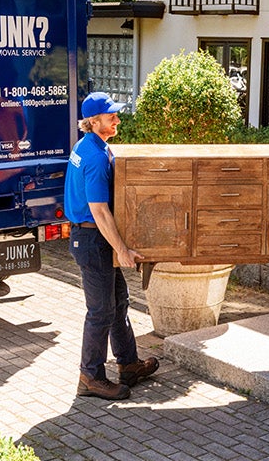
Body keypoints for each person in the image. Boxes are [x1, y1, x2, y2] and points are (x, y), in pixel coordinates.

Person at [63, 92, 159, 400]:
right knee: (101, 310)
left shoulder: (92, 146)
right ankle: (90, 377)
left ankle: (128, 364)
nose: (117, 119)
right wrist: (122, 248)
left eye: (116, 114)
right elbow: (99, 210)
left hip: (93, 237)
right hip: (92, 240)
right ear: (93, 121)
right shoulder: (93, 157)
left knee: (119, 301)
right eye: (111, 116)